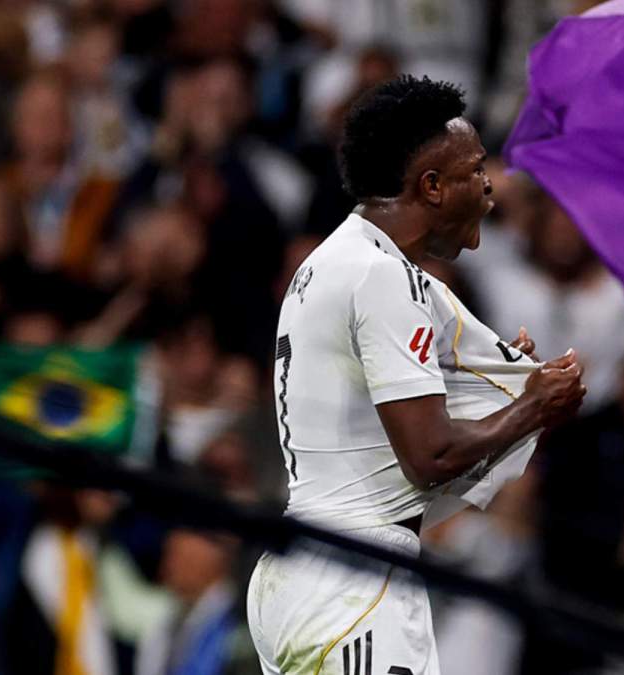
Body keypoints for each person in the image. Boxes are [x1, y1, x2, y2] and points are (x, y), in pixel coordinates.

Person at [246, 75, 585, 675]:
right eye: (475, 170)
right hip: (356, 576)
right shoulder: (382, 277)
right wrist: (533, 404)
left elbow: (366, 422)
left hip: (302, 567)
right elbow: (428, 455)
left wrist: (500, 377)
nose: (488, 187)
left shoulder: (331, 262)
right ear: (431, 186)